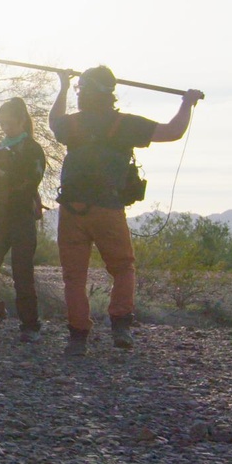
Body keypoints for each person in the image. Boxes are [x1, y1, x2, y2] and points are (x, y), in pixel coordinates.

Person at [49, 66, 203, 356]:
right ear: (110, 93)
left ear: (85, 92)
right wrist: (186, 103)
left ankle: (78, 338)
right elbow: (173, 131)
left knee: (74, 276)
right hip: (107, 208)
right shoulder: (125, 124)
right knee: (122, 268)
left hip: (72, 209)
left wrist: (63, 86)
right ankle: (120, 324)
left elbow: (53, 120)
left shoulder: (73, 124)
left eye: (80, 89)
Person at [0, 98, 46, 342]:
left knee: (22, 271)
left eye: (8, 122)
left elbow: (29, 183)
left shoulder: (33, 149)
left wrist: (2, 174)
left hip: (21, 216)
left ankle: (30, 325)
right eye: (1, 122)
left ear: (21, 120)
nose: (4, 126)